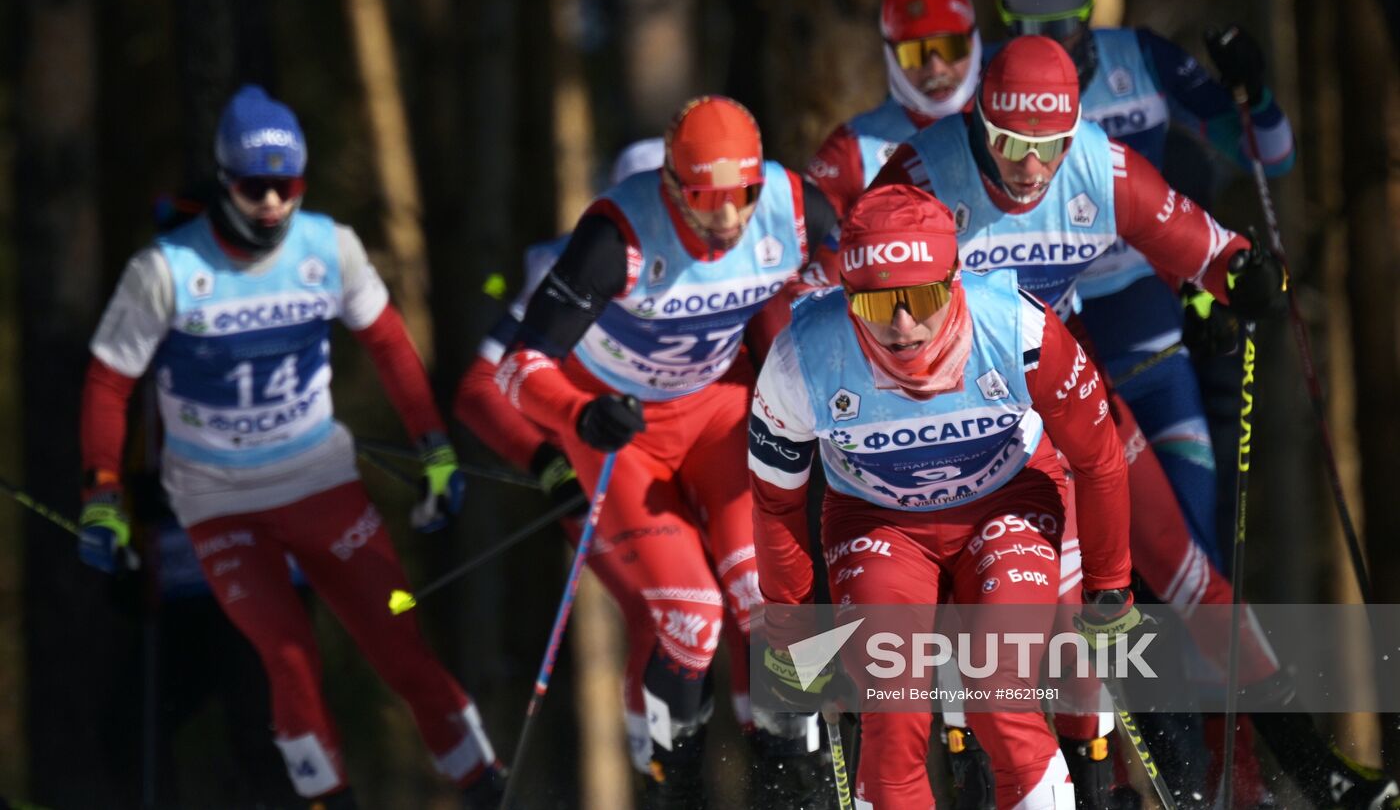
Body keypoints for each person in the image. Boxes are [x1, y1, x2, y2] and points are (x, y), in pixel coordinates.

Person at [872, 37, 1399, 810]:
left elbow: (1205, 245)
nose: (1027, 166)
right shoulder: (923, 174)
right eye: (1009, 141)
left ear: (1072, 131)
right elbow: (854, 285)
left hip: (1066, 389)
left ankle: (1315, 772)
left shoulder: (1099, 165)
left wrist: (1239, 277)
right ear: (978, 118)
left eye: (1046, 146)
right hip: (960, 421)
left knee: (1189, 576)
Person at [77, 85, 505, 810]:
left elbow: (392, 346)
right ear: (224, 181)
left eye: (289, 186)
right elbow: (107, 384)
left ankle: (489, 788)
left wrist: (434, 445)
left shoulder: (328, 247)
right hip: (219, 504)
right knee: (288, 658)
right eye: (255, 187)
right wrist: (103, 495)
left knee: (402, 644)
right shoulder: (167, 269)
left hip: (322, 488)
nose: (273, 203)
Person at [994, 0, 1303, 810]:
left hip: (1155, 341)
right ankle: (1126, 777)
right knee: (1094, 588)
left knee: (1187, 565)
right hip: (1051, 356)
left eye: (1074, 23)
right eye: (1038, 27)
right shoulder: (1000, 88)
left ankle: (1236, 780)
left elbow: (1264, 156)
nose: (1063, 45)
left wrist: (1256, 97)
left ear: (1095, 13)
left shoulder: (1141, 62)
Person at [493, 96, 841, 809]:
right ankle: (673, 786)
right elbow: (516, 366)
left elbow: (862, 276)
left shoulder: (796, 206)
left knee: (770, 597)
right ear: (670, 187)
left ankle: (797, 783)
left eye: (742, 195)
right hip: (626, 435)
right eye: (705, 200)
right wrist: (580, 413)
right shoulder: (615, 234)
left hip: (719, 412)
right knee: (691, 617)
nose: (728, 218)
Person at [750, 183, 1139, 808]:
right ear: (847, 297)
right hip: (880, 524)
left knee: (998, 689)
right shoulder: (802, 359)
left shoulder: (1019, 328)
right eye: (878, 306)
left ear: (955, 282)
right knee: (891, 709)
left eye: (923, 299)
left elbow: (1099, 457)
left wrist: (1109, 588)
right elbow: (776, 501)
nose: (903, 327)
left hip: (1005, 501)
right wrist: (789, 630)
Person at [806, 0, 982, 219]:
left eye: (950, 48)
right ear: (890, 57)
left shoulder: (1011, 120)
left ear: (974, 42)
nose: (935, 69)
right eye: (914, 54)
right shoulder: (855, 148)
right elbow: (804, 244)